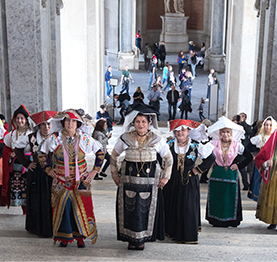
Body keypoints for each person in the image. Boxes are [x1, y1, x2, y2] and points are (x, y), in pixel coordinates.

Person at [110, 104, 173, 250]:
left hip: (150, 182)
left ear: (149, 123)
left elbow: (168, 159)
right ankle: (131, 240)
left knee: (144, 210)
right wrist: (114, 174)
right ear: (133, 122)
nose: (140, 124)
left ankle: (143, 239)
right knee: (130, 209)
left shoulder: (157, 139)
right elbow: (113, 155)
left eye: (143, 121)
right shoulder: (126, 138)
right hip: (128, 181)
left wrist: (166, 177)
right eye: (137, 121)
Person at [41, 110, 105, 247]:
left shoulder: (85, 139)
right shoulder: (55, 138)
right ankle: (64, 238)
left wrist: (95, 171)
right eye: (67, 120)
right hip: (61, 181)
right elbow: (42, 152)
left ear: (78, 123)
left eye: (73, 121)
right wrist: (47, 169)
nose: (70, 124)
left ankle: (80, 238)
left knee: (80, 209)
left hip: (80, 181)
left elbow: (100, 151)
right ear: (63, 122)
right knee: (64, 210)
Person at [164, 119, 215, 243]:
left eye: (183, 130)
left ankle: (187, 235)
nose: (180, 132)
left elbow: (211, 158)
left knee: (187, 206)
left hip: (189, 181)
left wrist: (197, 170)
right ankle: (173, 233)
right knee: (172, 205)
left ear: (188, 131)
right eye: (177, 130)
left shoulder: (195, 145)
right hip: (172, 181)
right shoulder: (169, 144)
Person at [14, 110, 57, 237]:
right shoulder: (31, 138)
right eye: (43, 125)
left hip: (53, 173)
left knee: (52, 199)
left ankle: (54, 226)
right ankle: (37, 227)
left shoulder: (56, 137)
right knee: (39, 199)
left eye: (48, 124)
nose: (46, 127)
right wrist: (27, 163)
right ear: (39, 126)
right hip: (37, 174)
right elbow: (17, 149)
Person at [205, 116, 252, 227]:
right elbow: (204, 153)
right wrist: (211, 162)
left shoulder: (236, 145)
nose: (225, 134)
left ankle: (230, 220)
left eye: (227, 132)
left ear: (231, 133)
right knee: (217, 197)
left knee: (229, 197)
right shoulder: (214, 143)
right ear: (220, 133)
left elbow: (249, 157)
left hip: (231, 174)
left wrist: (238, 165)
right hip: (217, 173)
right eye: (223, 132)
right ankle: (216, 220)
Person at [2, 105, 33, 213]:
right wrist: (10, 154)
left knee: (29, 187)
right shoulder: (11, 134)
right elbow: (5, 149)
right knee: (19, 188)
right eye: (18, 118)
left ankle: (29, 210)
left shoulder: (31, 133)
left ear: (26, 120)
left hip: (29, 165)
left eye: (22, 118)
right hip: (16, 166)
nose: (20, 121)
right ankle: (23, 209)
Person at [248, 116, 277, 201]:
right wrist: (254, 155)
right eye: (266, 125)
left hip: (272, 162)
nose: (268, 127)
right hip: (261, 162)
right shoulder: (259, 137)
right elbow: (249, 147)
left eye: (270, 125)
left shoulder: (276, 138)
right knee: (259, 181)